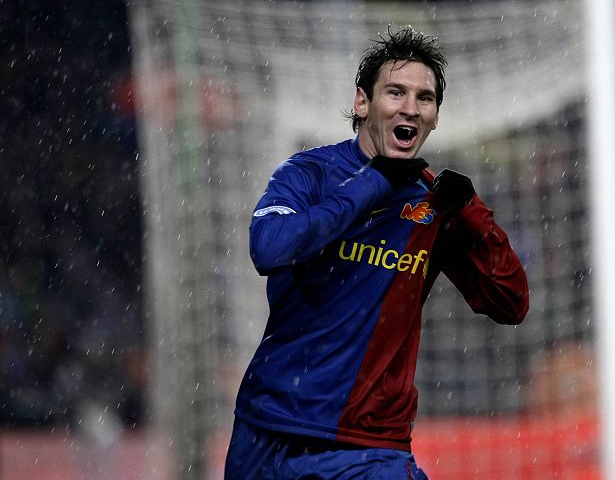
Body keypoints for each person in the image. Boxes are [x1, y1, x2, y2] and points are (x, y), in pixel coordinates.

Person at [224, 26, 530, 479]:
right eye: (395, 92)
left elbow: (510, 302)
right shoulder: (309, 174)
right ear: (362, 102)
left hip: (369, 446)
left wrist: (472, 212)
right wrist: (374, 182)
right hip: (270, 430)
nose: (410, 107)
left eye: (425, 98)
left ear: (435, 117)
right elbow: (269, 249)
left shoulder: (435, 205)